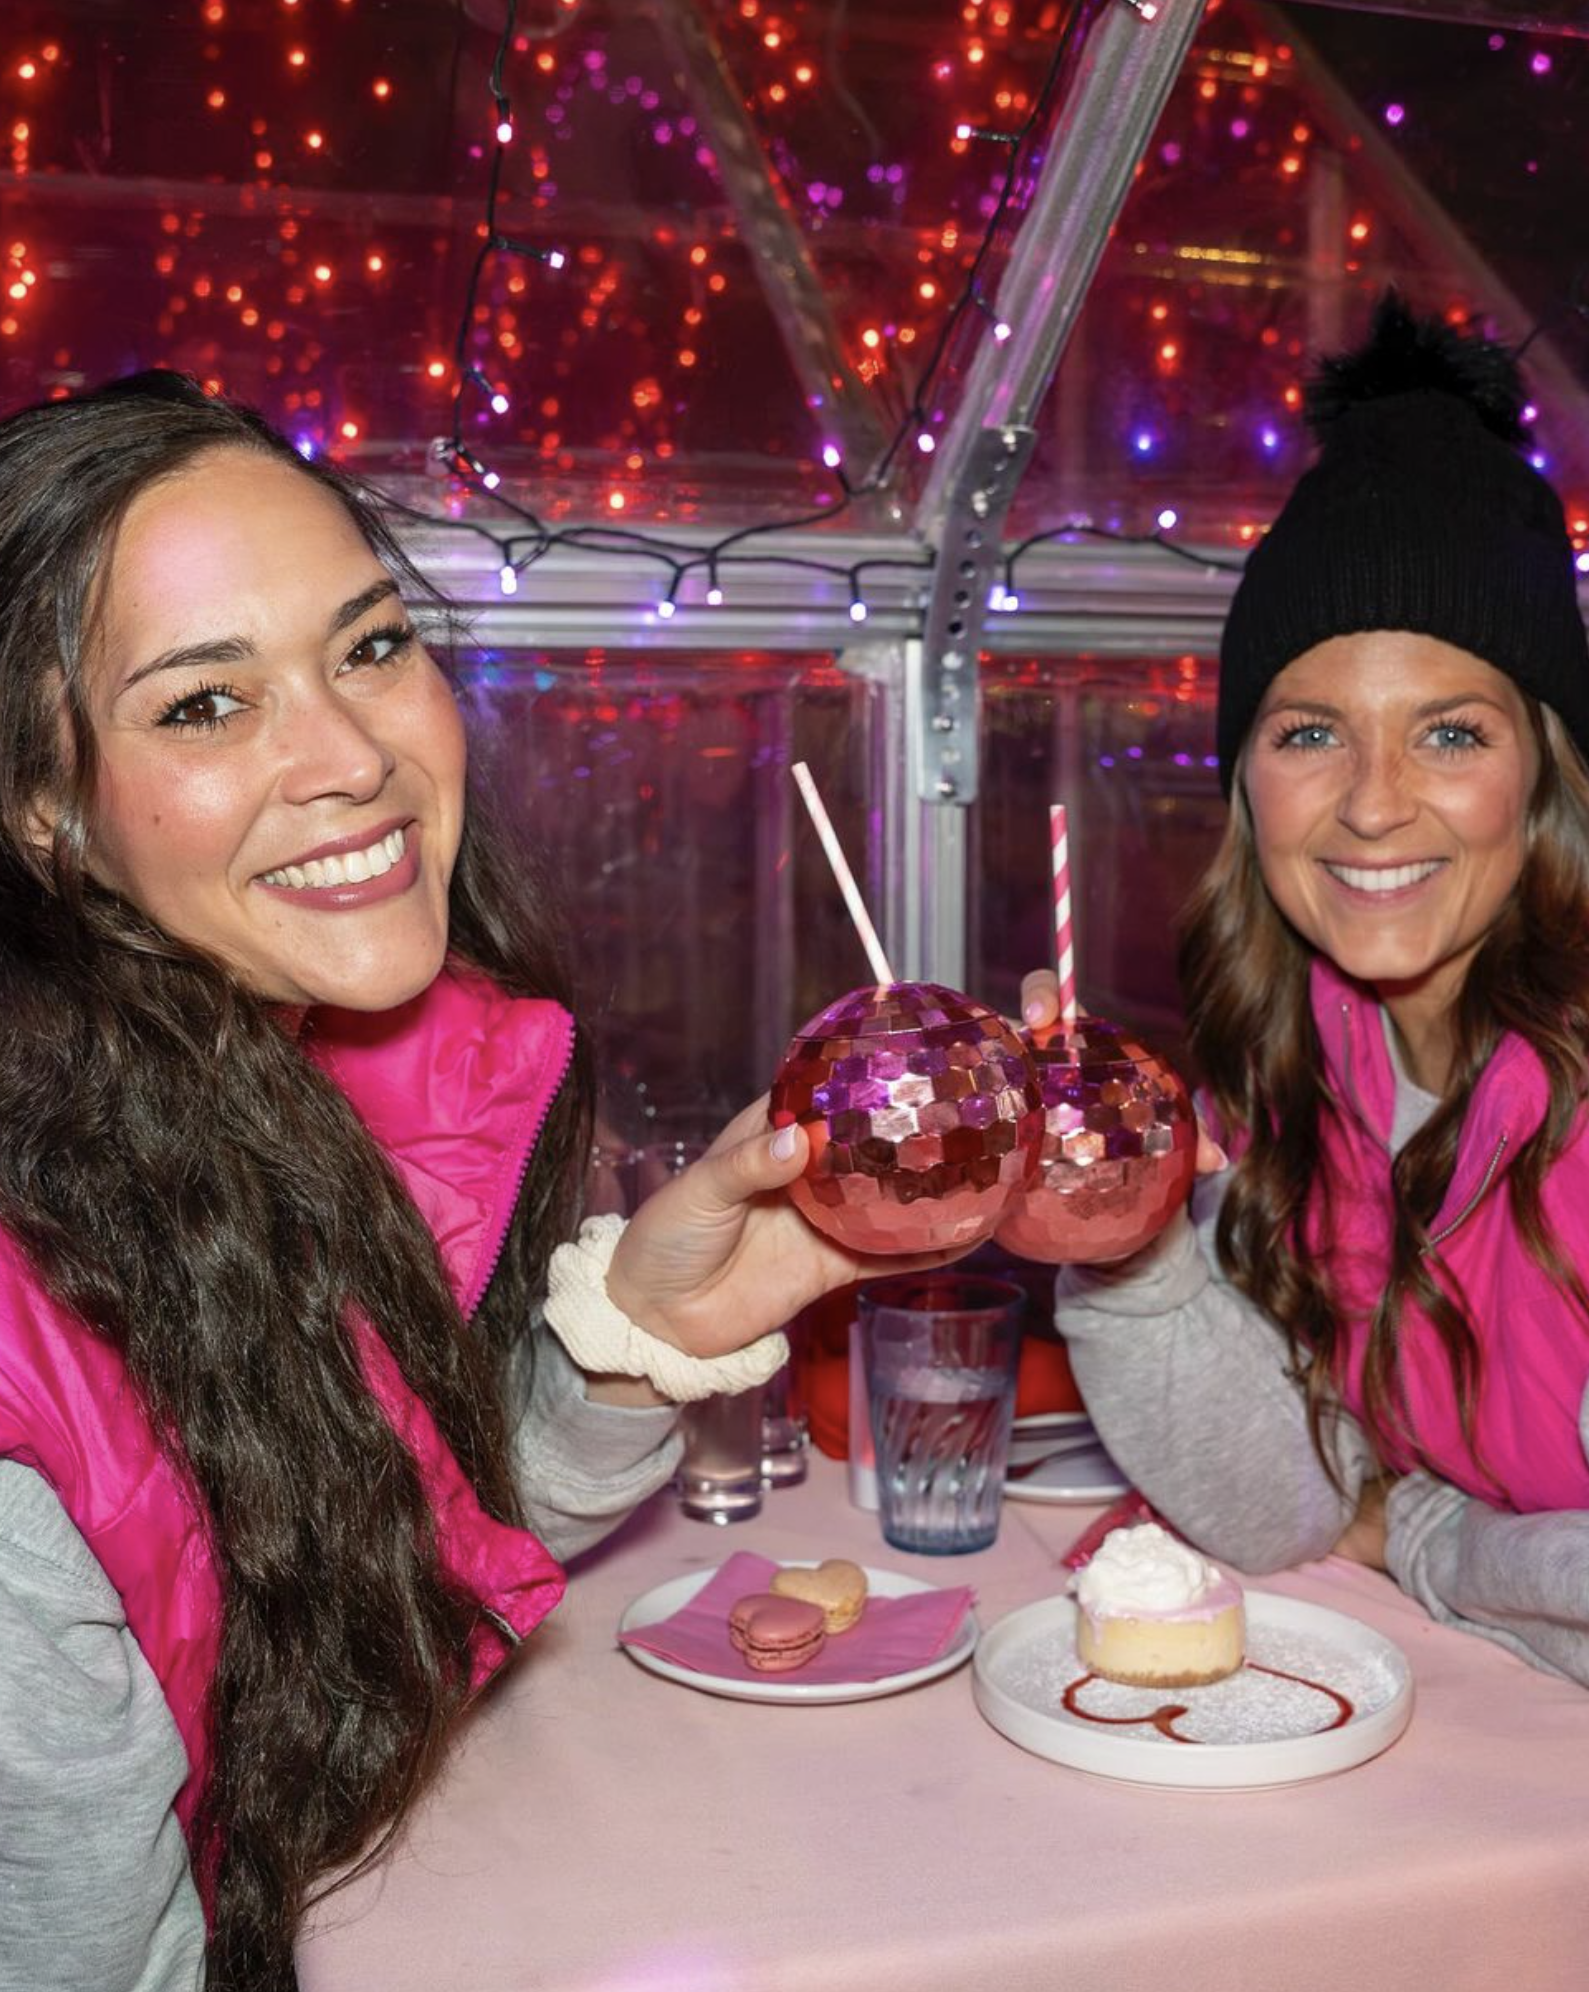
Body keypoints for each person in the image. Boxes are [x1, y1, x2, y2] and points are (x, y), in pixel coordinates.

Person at [0, 371, 940, 1992]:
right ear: (45, 812)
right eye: (204, 704)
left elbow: (382, 1565)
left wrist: (632, 1329)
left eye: (369, 647)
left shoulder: (279, 1097)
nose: (355, 757)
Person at [1036, 295, 1589, 1721]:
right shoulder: (1302, 1053)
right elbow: (1285, 1508)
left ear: (1545, 773)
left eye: (1451, 731)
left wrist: (1434, 1535)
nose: (1375, 803)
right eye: (1310, 731)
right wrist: (1128, 1249)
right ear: (1246, 782)